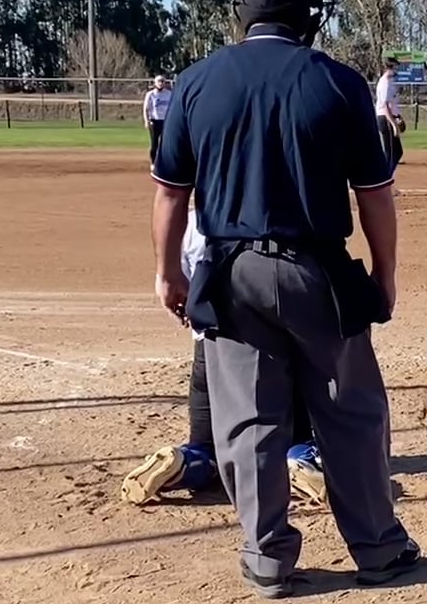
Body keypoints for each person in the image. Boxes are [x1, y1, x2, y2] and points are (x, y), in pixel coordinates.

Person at [149, 0, 421, 599]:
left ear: (244, 15)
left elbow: (171, 195)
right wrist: (384, 274)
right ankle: (379, 550)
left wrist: (167, 274)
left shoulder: (196, 82)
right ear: (305, 17)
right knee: (350, 414)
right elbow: (374, 196)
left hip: (230, 272)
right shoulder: (338, 81)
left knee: (248, 420)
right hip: (317, 270)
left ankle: (267, 558)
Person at [121, 207, 326, 510]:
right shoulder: (278, 212)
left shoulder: (192, 222)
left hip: (210, 349)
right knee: (296, 435)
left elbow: (179, 292)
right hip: (276, 347)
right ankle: (298, 461)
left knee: (208, 447)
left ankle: (184, 462)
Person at [374, 58, 405, 168]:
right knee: (391, 154)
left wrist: (398, 116)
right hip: (386, 119)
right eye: (396, 67)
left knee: (398, 152)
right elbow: (385, 106)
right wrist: (394, 124)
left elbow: (392, 104)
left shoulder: (390, 82)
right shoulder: (385, 83)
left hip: (390, 117)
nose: (397, 70)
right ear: (390, 68)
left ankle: (388, 174)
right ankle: (384, 176)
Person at [143, 74, 172, 159]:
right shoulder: (151, 94)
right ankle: (153, 162)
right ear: (155, 83)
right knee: (154, 143)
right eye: (159, 81)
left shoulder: (169, 94)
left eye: (162, 81)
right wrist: (147, 121)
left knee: (166, 143)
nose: (161, 83)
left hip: (165, 121)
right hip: (154, 121)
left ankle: (164, 161)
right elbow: (146, 108)